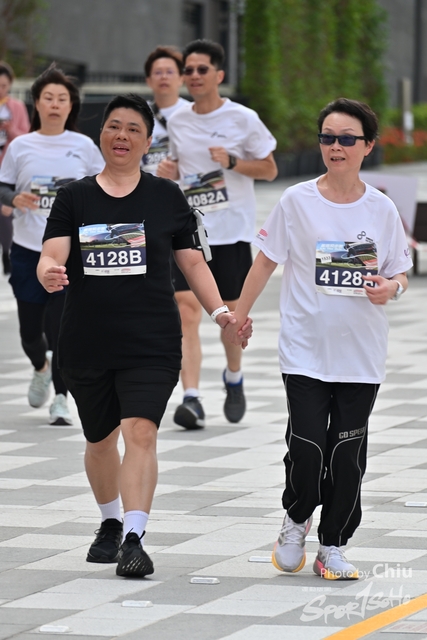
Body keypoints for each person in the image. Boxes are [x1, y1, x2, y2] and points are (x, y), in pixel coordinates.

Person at [37, 93, 251, 578]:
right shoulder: (74, 197)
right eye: (114, 126)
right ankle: (110, 522)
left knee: (141, 431)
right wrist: (48, 270)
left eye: (133, 129)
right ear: (101, 135)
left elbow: (192, 262)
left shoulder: (166, 197)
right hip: (88, 340)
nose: (122, 136)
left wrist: (221, 312)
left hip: (151, 340)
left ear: (148, 141)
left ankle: (134, 537)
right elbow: (52, 252)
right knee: (100, 440)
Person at [225, 98, 413, 580]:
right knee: (308, 448)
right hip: (305, 351)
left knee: (346, 456)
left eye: (347, 138)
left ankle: (333, 545)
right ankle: (296, 518)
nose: (336, 146)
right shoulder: (297, 201)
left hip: (360, 355)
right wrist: (239, 316)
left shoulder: (382, 208)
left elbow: (400, 273)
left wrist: (390, 289)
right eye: (328, 137)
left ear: (368, 146)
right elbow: (265, 261)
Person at [157, 39, 277, 430]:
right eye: (188, 70)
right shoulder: (178, 121)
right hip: (189, 233)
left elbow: (270, 169)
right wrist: (171, 173)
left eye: (201, 69)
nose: (193, 76)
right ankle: (191, 398)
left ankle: (234, 376)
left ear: (219, 75)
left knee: (232, 317)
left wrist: (234, 162)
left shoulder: (243, 118)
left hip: (232, 233)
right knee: (185, 312)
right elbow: (181, 168)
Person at [0, 64, 104, 425]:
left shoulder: (84, 146)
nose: (56, 104)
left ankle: (61, 398)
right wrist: (15, 198)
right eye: (49, 98)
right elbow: (3, 186)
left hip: (69, 254)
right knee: (31, 333)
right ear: (38, 103)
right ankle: (40, 367)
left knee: (61, 328)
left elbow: (102, 188)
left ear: (71, 105)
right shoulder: (20, 146)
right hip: (28, 249)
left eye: (62, 98)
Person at [0, 61, 30, 275]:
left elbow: (26, 136)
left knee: (6, 211)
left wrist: (11, 130)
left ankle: (6, 252)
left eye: (3, 85)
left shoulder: (16, 107)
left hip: (8, 167)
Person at [142, 46, 188, 176]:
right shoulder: (138, 115)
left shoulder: (194, 113)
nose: (164, 77)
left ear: (181, 78)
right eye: (158, 72)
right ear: (148, 81)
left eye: (170, 72)